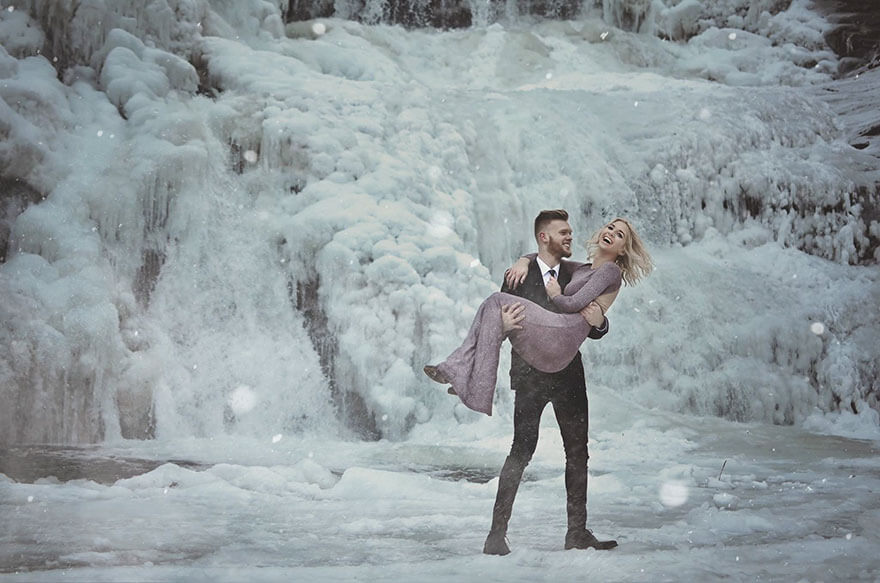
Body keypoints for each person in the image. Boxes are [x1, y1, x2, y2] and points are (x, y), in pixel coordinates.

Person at [424, 211, 653, 555]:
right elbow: (498, 325)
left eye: (618, 233)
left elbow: (591, 321)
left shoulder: (578, 271)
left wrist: (600, 322)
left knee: (578, 453)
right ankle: (496, 535)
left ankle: (576, 532)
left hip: (568, 375)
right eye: (562, 232)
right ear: (544, 237)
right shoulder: (520, 275)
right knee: (521, 450)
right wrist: (521, 266)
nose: (569, 237)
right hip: (530, 373)